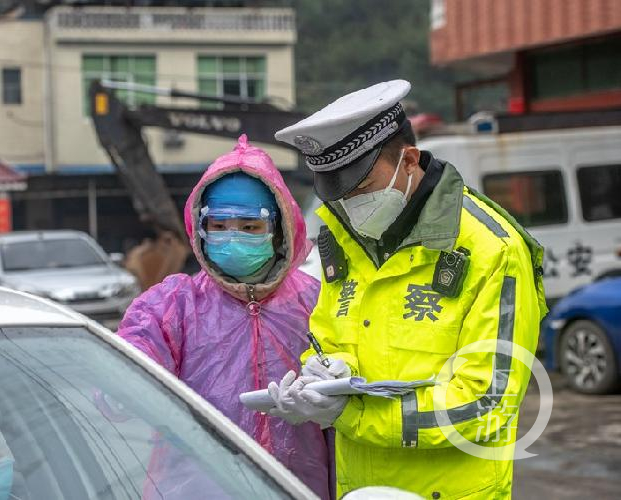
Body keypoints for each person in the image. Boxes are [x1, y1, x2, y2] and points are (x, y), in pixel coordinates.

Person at [268, 80, 548, 499]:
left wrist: (349, 414)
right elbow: (326, 338)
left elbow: (486, 404)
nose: (351, 208)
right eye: (339, 199)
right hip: (360, 489)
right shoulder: (345, 239)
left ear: (410, 161)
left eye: (362, 190)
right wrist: (325, 376)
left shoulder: (493, 250)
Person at [118, 134, 331, 499]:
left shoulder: (317, 301)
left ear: (279, 230)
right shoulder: (172, 306)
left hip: (298, 488)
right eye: (218, 227)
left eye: (250, 227)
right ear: (200, 229)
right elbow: (118, 383)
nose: (233, 239)